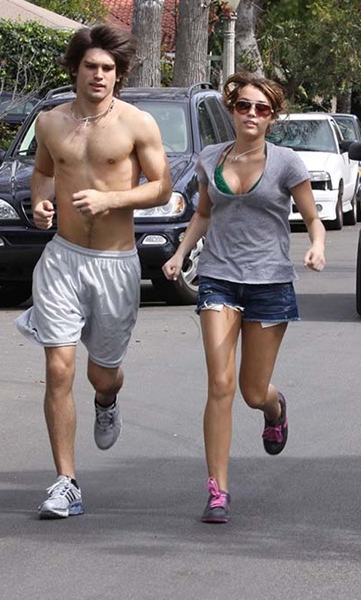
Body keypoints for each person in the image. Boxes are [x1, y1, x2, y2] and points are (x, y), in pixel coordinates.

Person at [15, 24, 172, 519]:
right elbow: (44, 171)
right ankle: (66, 481)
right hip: (61, 258)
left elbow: (162, 187)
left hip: (115, 263)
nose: (99, 75)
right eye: (91, 66)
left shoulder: (136, 124)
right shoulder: (50, 122)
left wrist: (112, 198)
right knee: (58, 367)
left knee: (102, 374)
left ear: (118, 74)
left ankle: (108, 399)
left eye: (108, 68)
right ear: (76, 70)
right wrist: (41, 202)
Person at [162, 72, 326, 524]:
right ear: (232, 109)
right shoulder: (210, 158)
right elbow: (202, 214)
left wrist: (317, 245)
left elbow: (312, 219)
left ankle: (275, 408)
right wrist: (179, 253)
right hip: (218, 278)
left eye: (263, 109)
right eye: (245, 106)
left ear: (272, 117)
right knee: (220, 384)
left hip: (270, 283)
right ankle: (217, 491)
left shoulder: (287, 162)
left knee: (253, 391)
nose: (252, 114)